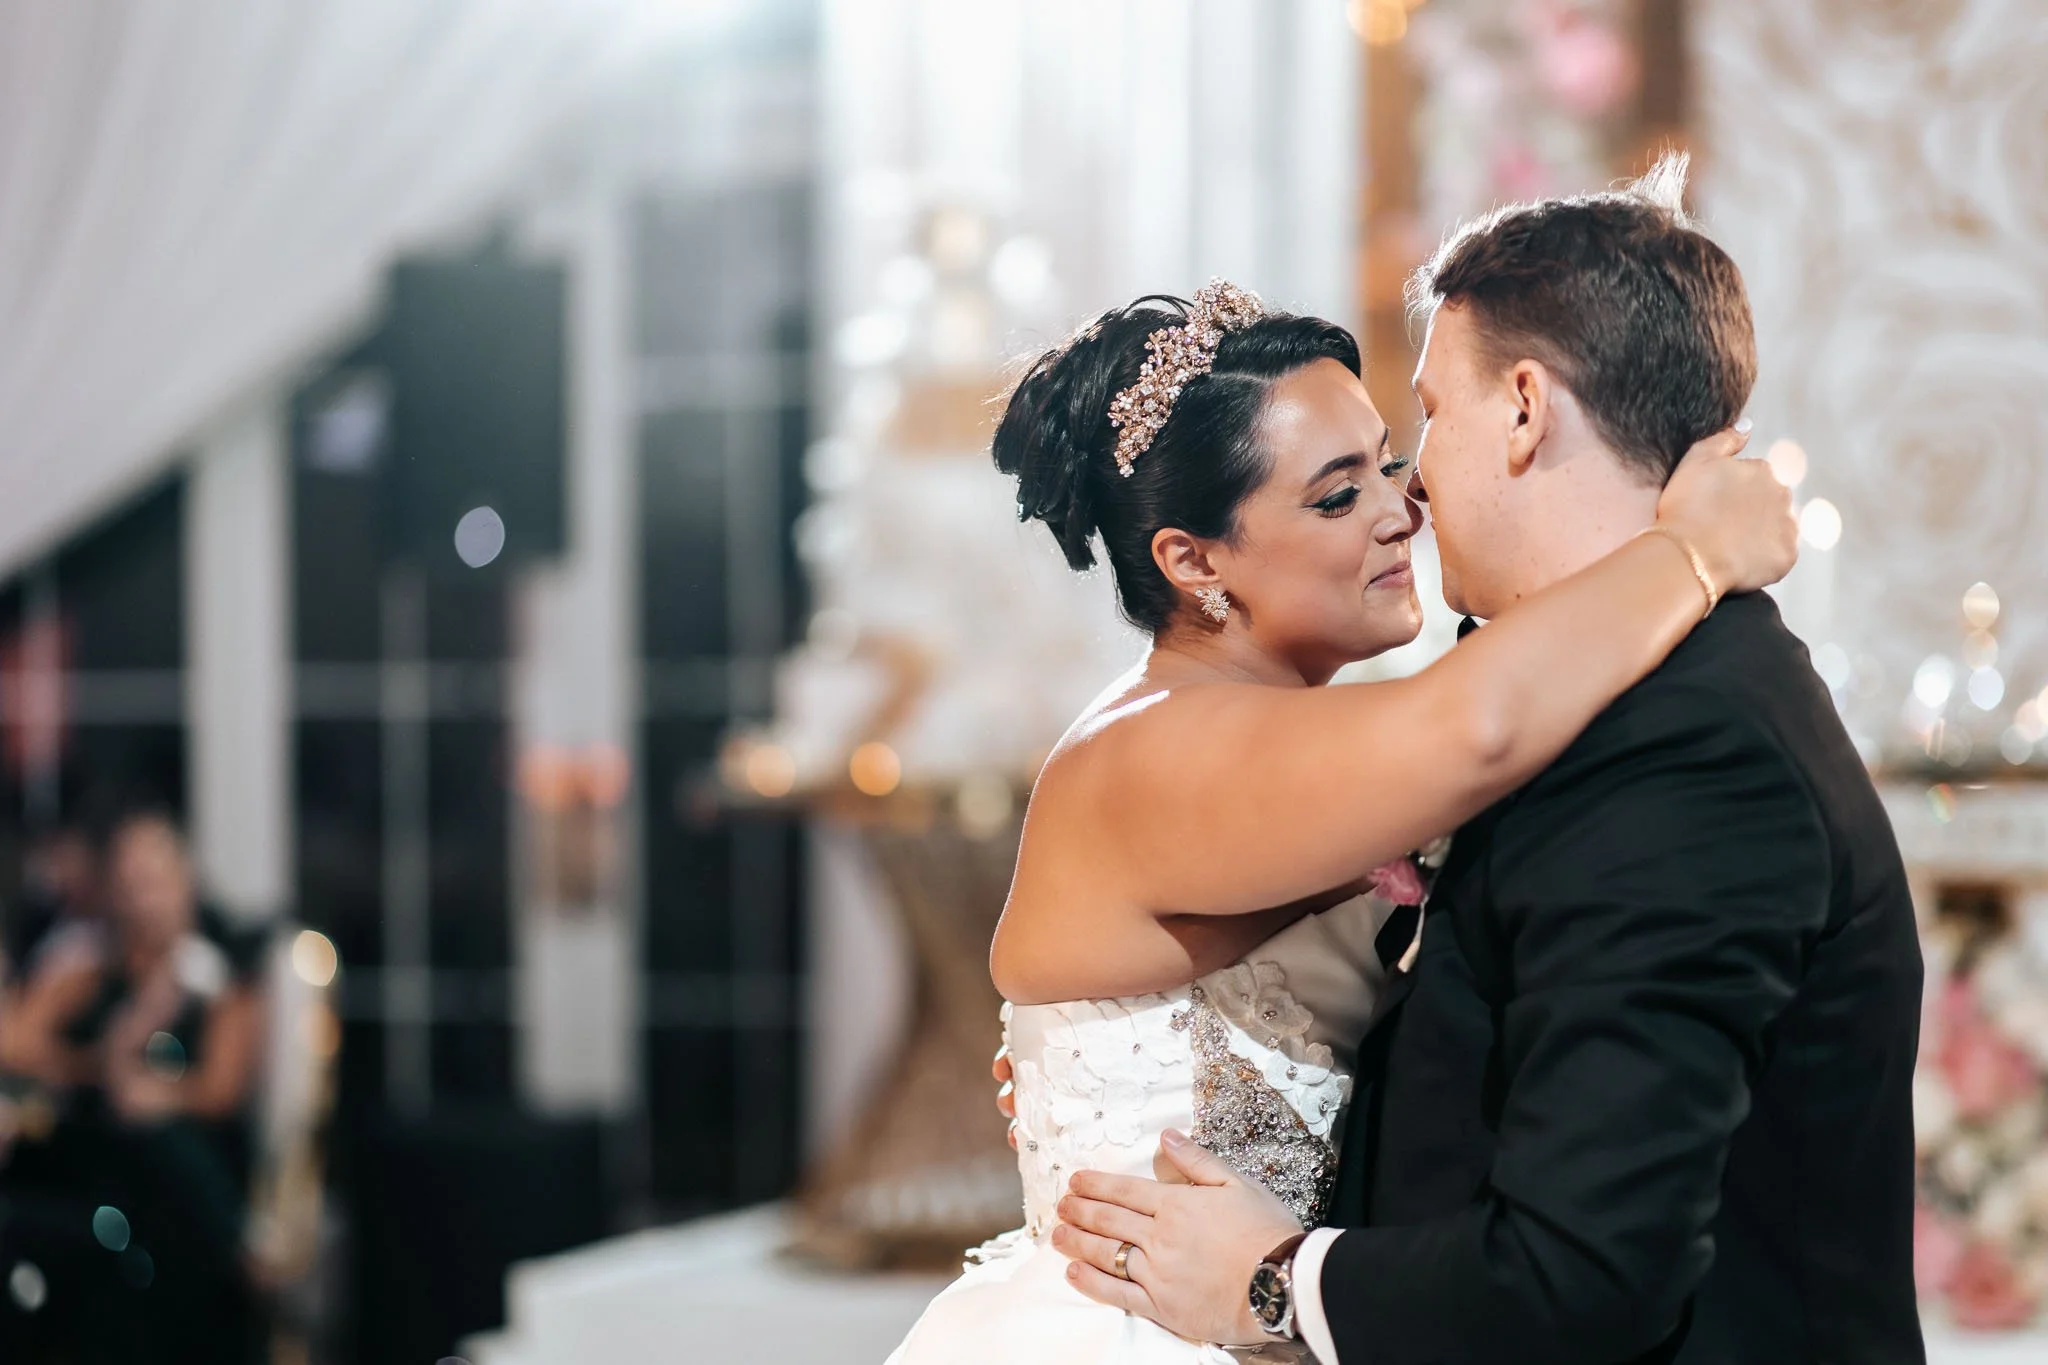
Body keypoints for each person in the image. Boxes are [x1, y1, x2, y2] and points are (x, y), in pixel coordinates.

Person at [887, 174, 1801, 1363]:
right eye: (1335, 496)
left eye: (1386, 461)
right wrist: (1692, 550)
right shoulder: (1153, 749)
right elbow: (1476, 726)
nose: (1399, 509)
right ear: (1193, 561)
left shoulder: (1304, 738)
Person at [0, 807, 266, 1365]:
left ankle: (240, 1257)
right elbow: (14, 1043)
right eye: (131, 883)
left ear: (187, 882)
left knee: (158, 1138)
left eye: (156, 881)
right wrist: (105, 1058)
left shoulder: (218, 976)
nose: (144, 900)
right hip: (90, 1169)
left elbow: (222, 1090)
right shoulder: (89, 969)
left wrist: (160, 1093)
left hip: (174, 1180)